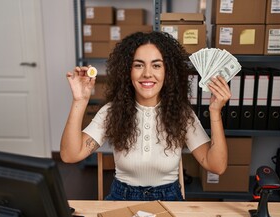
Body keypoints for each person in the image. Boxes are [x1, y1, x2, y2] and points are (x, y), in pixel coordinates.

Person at [60, 31, 231, 201]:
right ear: (128, 71)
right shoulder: (111, 111)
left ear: (168, 72)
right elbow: (70, 155)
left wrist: (215, 112)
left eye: (156, 65)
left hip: (168, 199)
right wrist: (80, 100)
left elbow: (216, 166)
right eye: (138, 65)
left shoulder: (182, 114)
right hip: (122, 197)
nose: (147, 73)